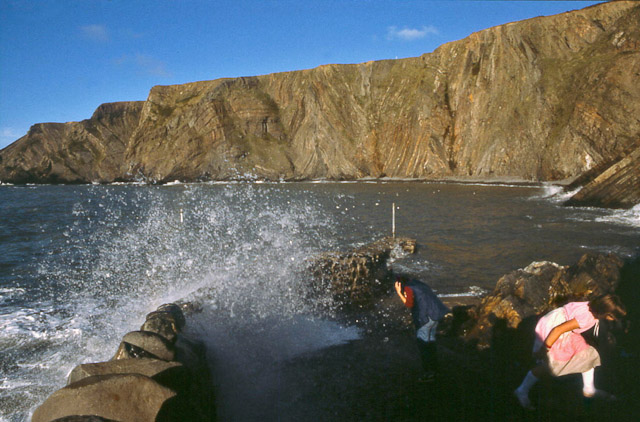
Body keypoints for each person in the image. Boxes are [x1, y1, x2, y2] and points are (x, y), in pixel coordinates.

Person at [514, 294, 627, 410]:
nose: (612, 320)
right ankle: (521, 390)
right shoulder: (587, 318)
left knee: (586, 353)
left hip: (558, 323)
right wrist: (544, 349)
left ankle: (589, 389)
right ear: (606, 314)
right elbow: (557, 330)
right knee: (548, 365)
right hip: (552, 331)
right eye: (613, 318)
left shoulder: (591, 305)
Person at [395, 275, 450, 382]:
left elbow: (409, 304)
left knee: (423, 344)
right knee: (431, 343)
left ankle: (429, 374)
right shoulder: (419, 284)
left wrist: (399, 293)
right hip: (436, 314)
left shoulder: (408, 288)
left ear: (399, 284)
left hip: (426, 318)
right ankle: (435, 369)